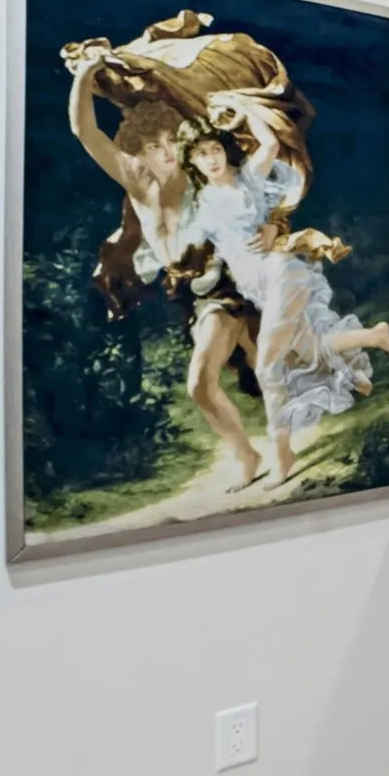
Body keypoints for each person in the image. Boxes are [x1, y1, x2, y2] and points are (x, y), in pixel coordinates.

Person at [67, 51, 264, 489]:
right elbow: (84, 129)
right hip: (189, 296)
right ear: (138, 151)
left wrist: (266, 232)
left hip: (225, 287)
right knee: (269, 367)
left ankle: (249, 455)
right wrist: (86, 72)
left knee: (201, 383)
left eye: (170, 140)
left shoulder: (202, 177)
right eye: (153, 146)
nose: (166, 152)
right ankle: (262, 443)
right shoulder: (134, 178)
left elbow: (253, 193)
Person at [176, 100, 389, 486]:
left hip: (280, 272)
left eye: (214, 149)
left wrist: (241, 108)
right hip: (254, 286)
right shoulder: (200, 203)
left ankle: (282, 454)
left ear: (224, 149)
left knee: (268, 367)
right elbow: (189, 246)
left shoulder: (248, 179)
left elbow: (270, 145)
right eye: (200, 154)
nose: (210, 159)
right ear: (191, 162)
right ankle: (374, 336)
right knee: (306, 350)